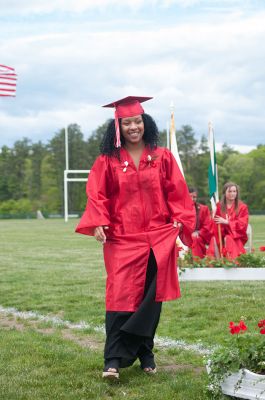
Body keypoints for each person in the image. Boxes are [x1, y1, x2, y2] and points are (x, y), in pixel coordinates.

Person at [75, 96, 195, 380]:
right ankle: (113, 359)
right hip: (122, 238)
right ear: (117, 126)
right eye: (127, 122)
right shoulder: (108, 161)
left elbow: (177, 191)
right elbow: (97, 193)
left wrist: (179, 217)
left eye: (137, 121)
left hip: (157, 238)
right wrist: (98, 222)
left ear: (146, 123)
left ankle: (146, 353)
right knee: (119, 298)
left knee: (150, 299)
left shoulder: (162, 157)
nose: (133, 127)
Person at [207, 182, 249, 259]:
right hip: (221, 235)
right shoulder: (219, 206)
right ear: (224, 193)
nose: (232, 193)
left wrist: (228, 222)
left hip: (236, 236)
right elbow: (214, 225)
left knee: (228, 238)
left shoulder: (242, 207)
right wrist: (213, 217)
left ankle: (231, 262)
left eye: (234, 191)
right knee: (214, 240)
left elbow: (243, 224)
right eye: (229, 191)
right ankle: (215, 263)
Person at [188, 187, 212, 259]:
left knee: (195, 239)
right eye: (190, 197)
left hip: (199, 236)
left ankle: (197, 263)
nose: (192, 199)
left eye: (194, 197)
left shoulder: (203, 209)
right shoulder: (180, 209)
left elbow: (207, 226)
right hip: (183, 236)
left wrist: (198, 232)